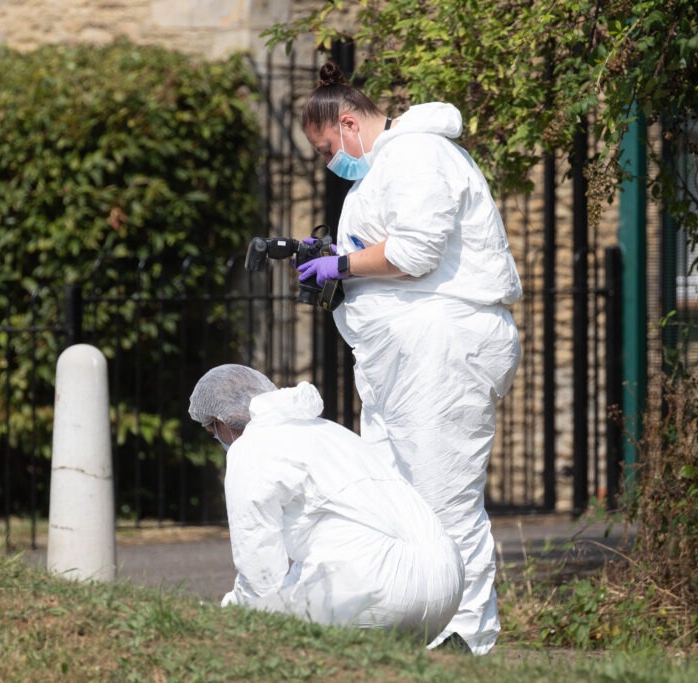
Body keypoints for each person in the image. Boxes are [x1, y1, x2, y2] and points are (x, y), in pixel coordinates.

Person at [295, 62, 523, 655]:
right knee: (397, 501)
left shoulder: (418, 154)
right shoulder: (382, 170)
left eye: (326, 149)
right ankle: (415, 633)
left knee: (444, 498)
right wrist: (333, 262)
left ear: (348, 123)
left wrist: (341, 265)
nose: (328, 163)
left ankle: (468, 639)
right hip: (403, 354)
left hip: (443, 345)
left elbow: (415, 253)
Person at [188, 364, 465, 643]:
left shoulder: (249, 449)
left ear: (220, 421)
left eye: (211, 429)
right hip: (448, 580)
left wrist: (230, 615)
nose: (215, 437)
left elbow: (258, 563)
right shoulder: (329, 431)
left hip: (376, 588)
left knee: (276, 632)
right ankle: (442, 654)